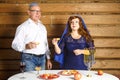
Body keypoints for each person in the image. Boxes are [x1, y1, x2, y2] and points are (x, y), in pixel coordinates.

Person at [11, 2, 52, 71]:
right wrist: (26, 46)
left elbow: (45, 44)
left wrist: (48, 59)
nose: (38, 13)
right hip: (28, 59)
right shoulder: (23, 27)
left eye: (39, 11)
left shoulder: (43, 27)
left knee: (41, 78)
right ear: (29, 12)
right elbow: (14, 44)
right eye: (35, 11)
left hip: (42, 59)